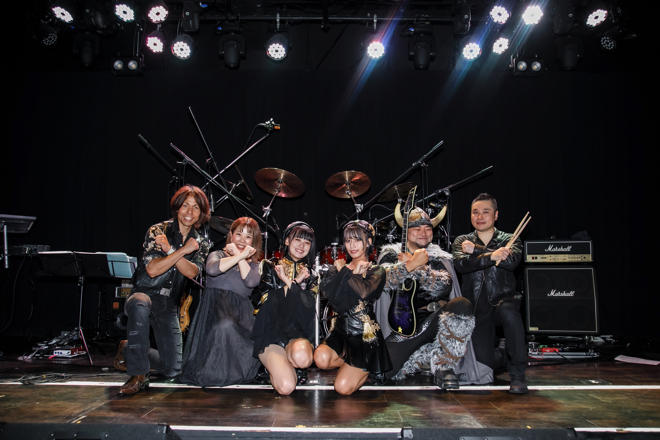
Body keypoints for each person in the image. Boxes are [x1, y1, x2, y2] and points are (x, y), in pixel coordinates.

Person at [376, 206, 491, 389]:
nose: (423, 233)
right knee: (382, 372)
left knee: (461, 305)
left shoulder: (439, 256)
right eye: (417, 228)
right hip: (403, 329)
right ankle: (421, 358)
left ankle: (443, 366)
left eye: (428, 228)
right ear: (406, 231)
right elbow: (384, 281)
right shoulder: (391, 254)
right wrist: (408, 264)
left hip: (435, 323)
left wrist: (417, 267)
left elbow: (443, 286)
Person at [114, 184, 211, 396]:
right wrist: (181, 251)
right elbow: (152, 269)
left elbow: (191, 272)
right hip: (144, 293)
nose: (189, 212)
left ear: (201, 213)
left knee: (172, 369)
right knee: (140, 304)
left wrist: (170, 250)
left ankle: (129, 348)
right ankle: (138, 375)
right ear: (177, 207)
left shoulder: (201, 243)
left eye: (195, 207)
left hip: (168, 304)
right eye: (185, 205)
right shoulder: (158, 231)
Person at [452, 193, 527, 394]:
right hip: (477, 307)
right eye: (475, 212)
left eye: (485, 212)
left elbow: (511, 262)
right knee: (484, 365)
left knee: (510, 314)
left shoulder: (509, 239)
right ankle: (502, 352)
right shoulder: (462, 240)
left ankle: (518, 375)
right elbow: (461, 265)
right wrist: (493, 255)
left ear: (496, 215)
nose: (479, 216)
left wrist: (476, 250)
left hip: (504, 299)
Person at [179, 217, 262, 387]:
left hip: (241, 318)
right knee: (224, 327)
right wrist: (241, 255)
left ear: (253, 241)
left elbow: (250, 281)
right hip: (214, 312)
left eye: (248, 236)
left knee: (231, 330)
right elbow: (212, 269)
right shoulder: (217, 255)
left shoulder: (255, 265)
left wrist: (239, 256)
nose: (242, 240)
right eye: (238, 234)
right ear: (231, 235)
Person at [314, 220, 391, 395]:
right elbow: (326, 293)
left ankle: (368, 366)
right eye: (348, 240)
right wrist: (345, 271)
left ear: (368, 241)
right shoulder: (338, 268)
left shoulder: (376, 270)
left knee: (342, 388)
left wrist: (347, 272)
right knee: (320, 358)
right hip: (340, 333)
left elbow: (364, 293)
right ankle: (349, 362)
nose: (352, 245)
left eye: (357, 239)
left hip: (364, 336)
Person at [250, 221, 318, 395]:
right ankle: (276, 366)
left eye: (307, 242)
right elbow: (267, 302)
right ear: (287, 241)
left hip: (297, 334)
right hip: (271, 333)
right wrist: (296, 282)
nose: (302, 246)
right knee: (286, 387)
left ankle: (289, 365)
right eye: (297, 240)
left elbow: (308, 307)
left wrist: (289, 282)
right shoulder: (269, 266)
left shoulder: (311, 275)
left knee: (302, 358)